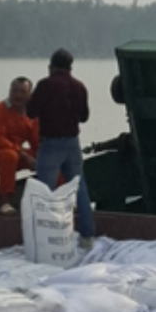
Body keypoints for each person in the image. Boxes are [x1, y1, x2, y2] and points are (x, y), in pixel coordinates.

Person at [27, 49, 96, 245]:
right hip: (73, 143)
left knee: (44, 192)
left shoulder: (45, 85)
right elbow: (84, 117)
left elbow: (31, 112)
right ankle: (87, 236)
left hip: (51, 143)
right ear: (70, 67)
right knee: (80, 189)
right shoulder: (79, 86)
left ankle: (45, 238)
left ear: (51, 66)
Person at [0, 76, 41, 213]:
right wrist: (25, 156)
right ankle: (3, 201)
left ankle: (52, 197)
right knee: (9, 155)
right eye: (15, 91)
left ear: (30, 94)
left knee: (48, 157)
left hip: (17, 153)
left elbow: (35, 140)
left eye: (23, 92)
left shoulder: (31, 114)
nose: (18, 95)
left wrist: (42, 155)